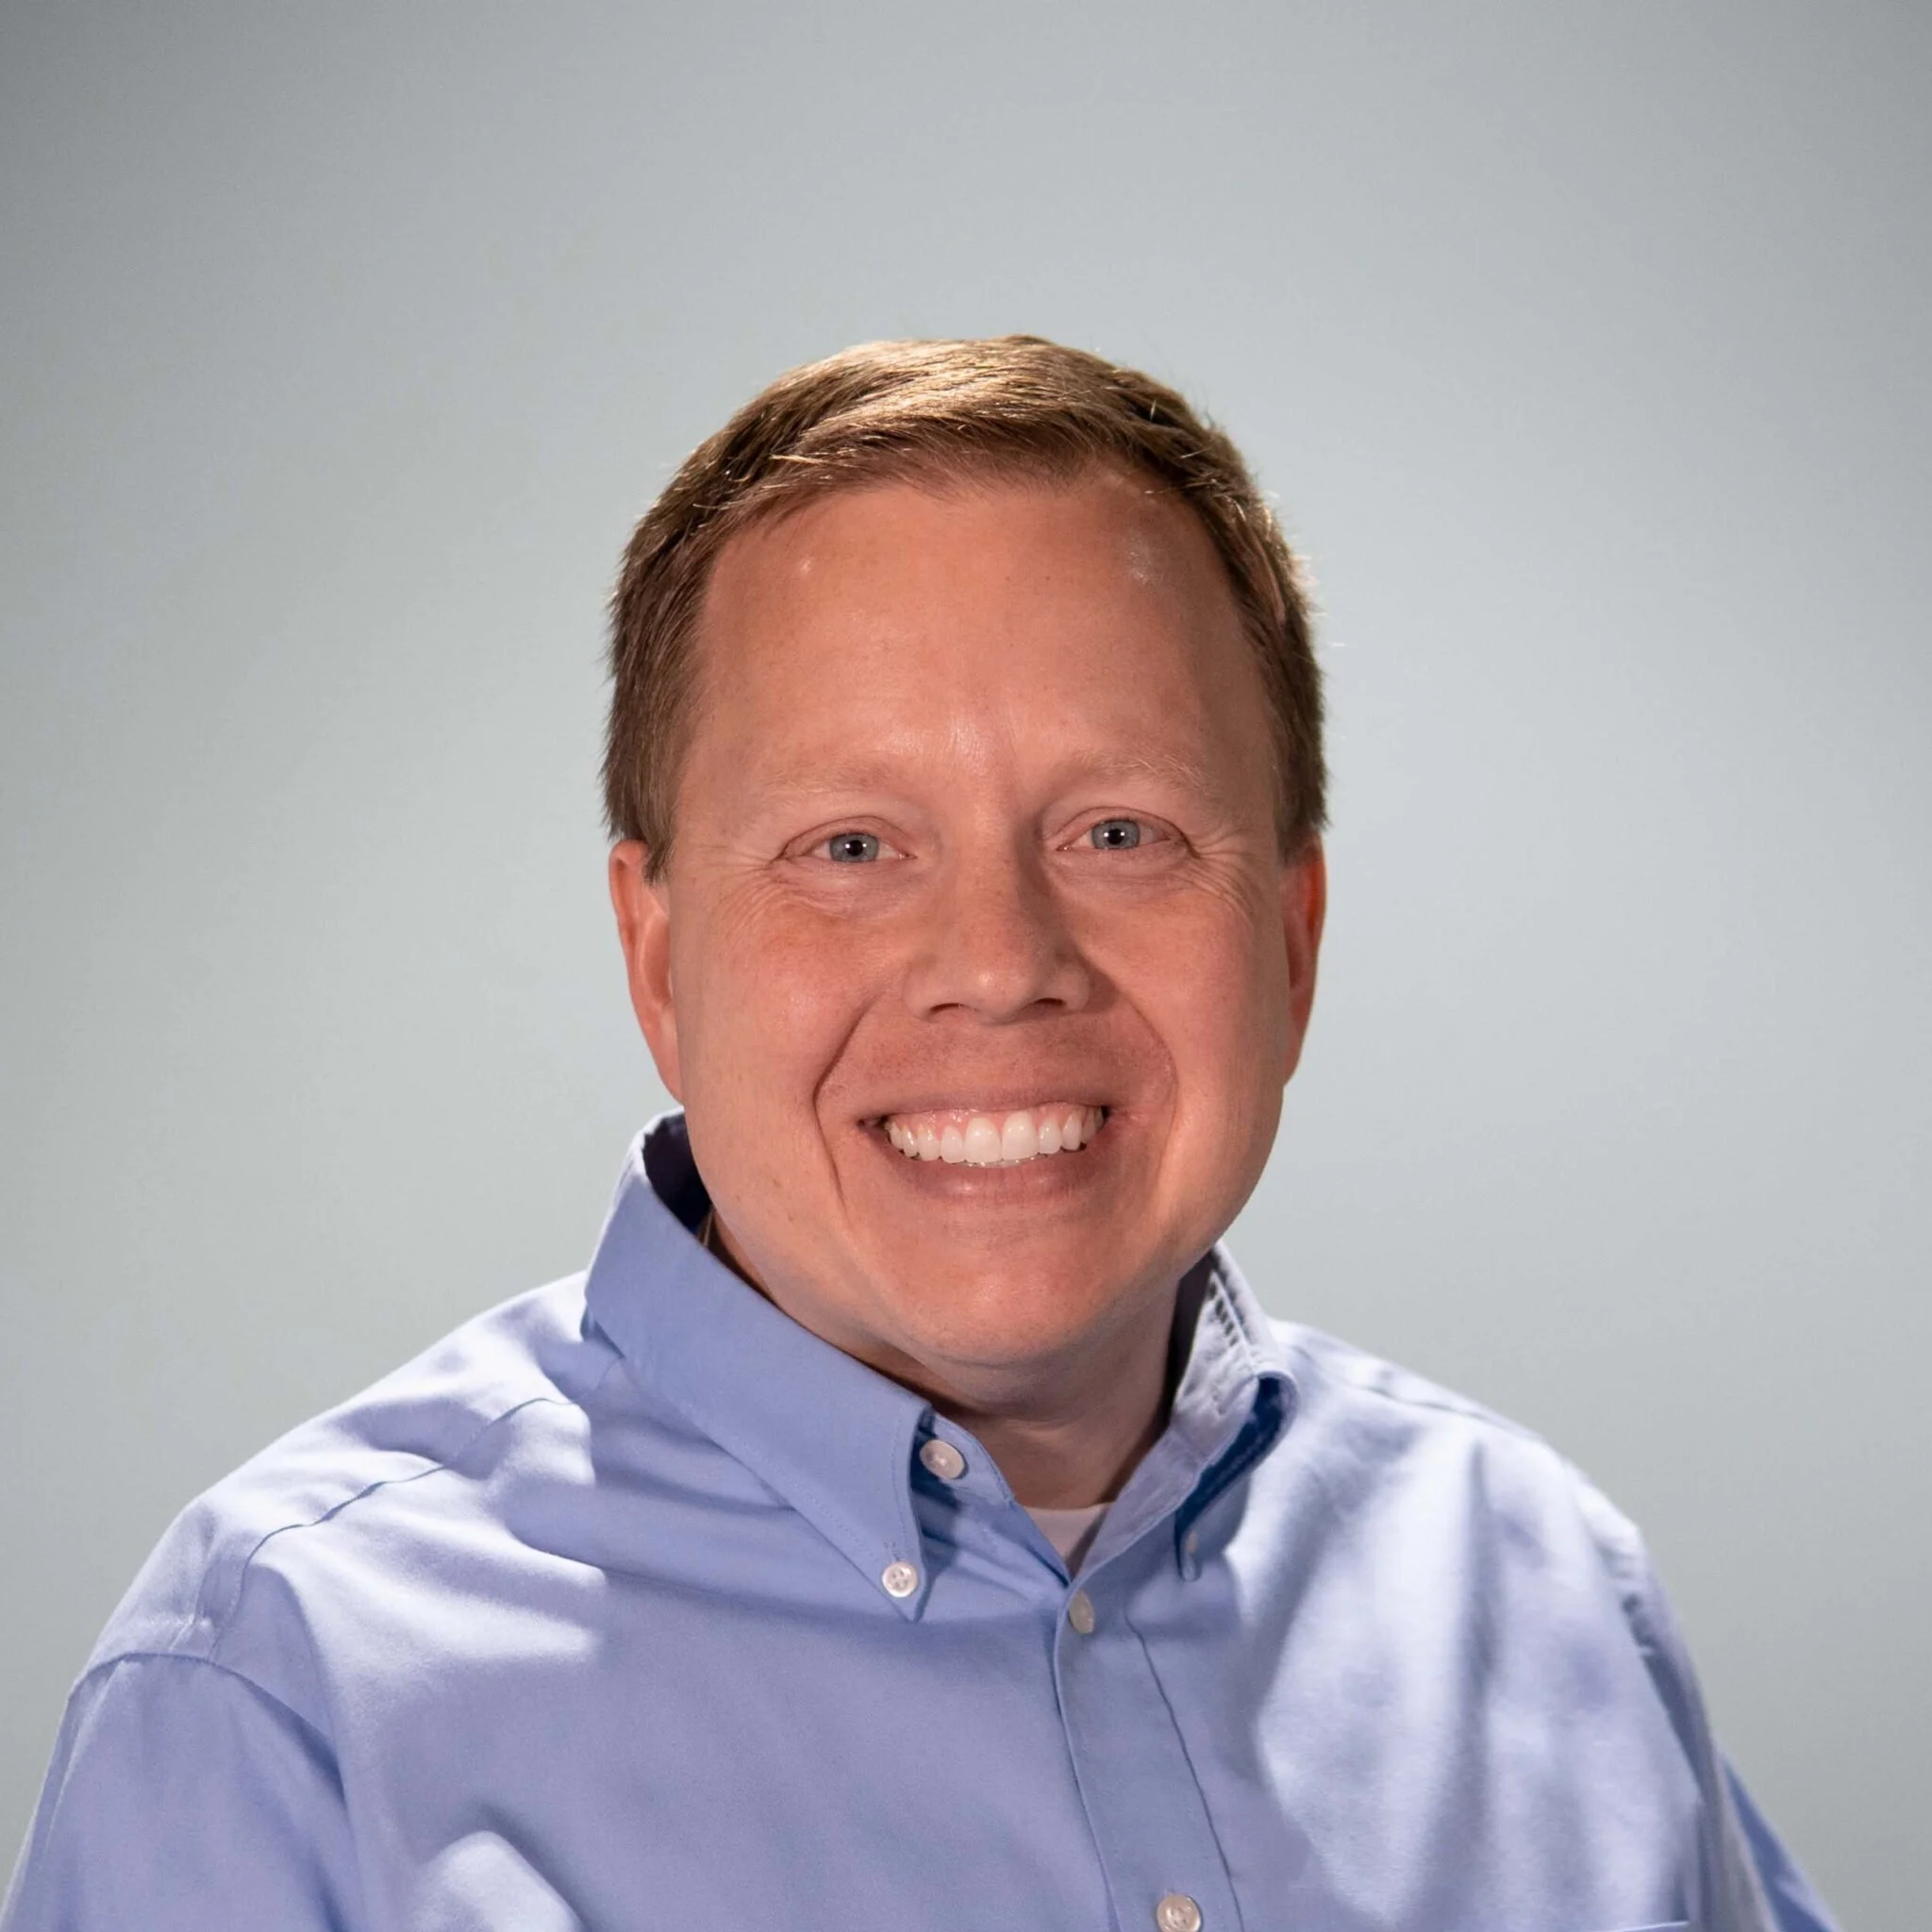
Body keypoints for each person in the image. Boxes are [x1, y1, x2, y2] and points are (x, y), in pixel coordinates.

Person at [3, 337, 1838, 1932]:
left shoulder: (1542, 1587)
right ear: (657, 953)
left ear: (1289, 934)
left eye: (1117, 832)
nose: (999, 965)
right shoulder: (289, 1688)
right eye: (851, 847)